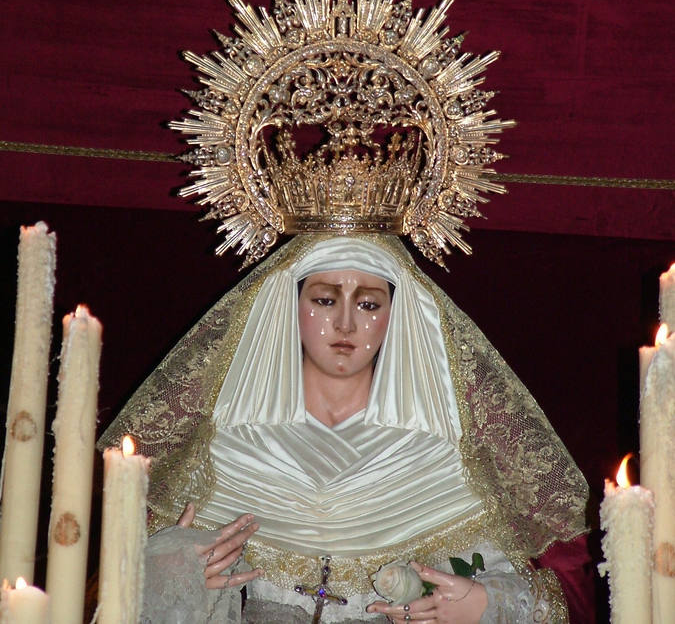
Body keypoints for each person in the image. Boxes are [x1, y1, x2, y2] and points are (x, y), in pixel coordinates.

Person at [102, 233, 595, 623]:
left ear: (398, 317)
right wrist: (174, 571)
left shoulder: (440, 457)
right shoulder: (226, 453)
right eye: (322, 300)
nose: (344, 324)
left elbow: (536, 595)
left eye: (368, 304)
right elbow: (129, 587)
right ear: (286, 307)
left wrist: (482, 605)